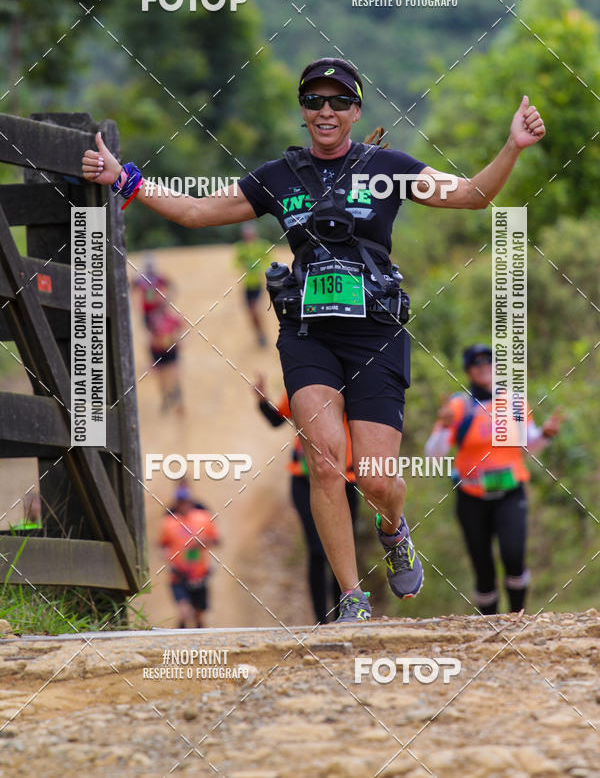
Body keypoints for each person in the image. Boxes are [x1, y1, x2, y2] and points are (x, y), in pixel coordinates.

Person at [82, 55, 546, 621]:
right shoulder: (280, 177)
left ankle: (394, 529)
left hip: (376, 334)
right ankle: (351, 598)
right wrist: (125, 179)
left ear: (356, 110)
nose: (325, 111)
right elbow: (199, 211)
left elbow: (473, 194)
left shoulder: (388, 167)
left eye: (338, 101)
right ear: (303, 110)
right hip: (307, 335)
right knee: (326, 463)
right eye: (314, 101)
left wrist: (513, 147)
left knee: (378, 479)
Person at [425, 344, 565, 614]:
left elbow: (528, 445)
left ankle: (517, 618)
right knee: (483, 568)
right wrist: (444, 427)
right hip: (471, 496)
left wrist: (546, 434)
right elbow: (434, 455)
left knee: (514, 556)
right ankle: (488, 627)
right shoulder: (459, 406)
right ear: (468, 371)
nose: (485, 369)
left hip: (510, 492)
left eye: (490, 363)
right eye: (477, 364)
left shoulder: (514, 403)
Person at [253, 374, 358, 623]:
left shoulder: (351, 389)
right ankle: (322, 621)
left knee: (341, 550)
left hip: (346, 481)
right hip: (304, 479)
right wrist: (261, 401)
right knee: (317, 550)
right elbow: (277, 420)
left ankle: (345, 615)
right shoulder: (302, 387)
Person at [158, 486, 219, 628]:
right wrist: (169, 562)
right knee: (184, 612)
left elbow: (216, 540)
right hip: (179, 575)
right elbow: (162, 546)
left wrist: (203, 542)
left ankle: (201, 643)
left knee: (199, 615)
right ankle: (178, 640)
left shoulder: (203, 518)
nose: (183, 505)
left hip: (199, 574)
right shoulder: (169, 523)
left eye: (185, 501)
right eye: (180, 502)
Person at [233, 222, 271, 347]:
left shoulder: (263, 245)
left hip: (258, 284)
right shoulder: (240, 247)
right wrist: (244, 265)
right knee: (250, 313)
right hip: (247, 285)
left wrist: (260, 267)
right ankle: (259, 334)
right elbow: (235, 264)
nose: (248, 236)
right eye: (246, 234)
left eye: (250, 234)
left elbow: (270, 261)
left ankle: (263, 335)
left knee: (255, 310)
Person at [147, 302, 185, 415]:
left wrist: (176, 339)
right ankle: (166, 399)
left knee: (174, 377)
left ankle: (178, 403)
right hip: (159, 353)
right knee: (162, 379)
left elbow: (181, 329)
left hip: (171, 352)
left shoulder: (172, 319)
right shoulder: (154, 320)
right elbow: (151, 339)